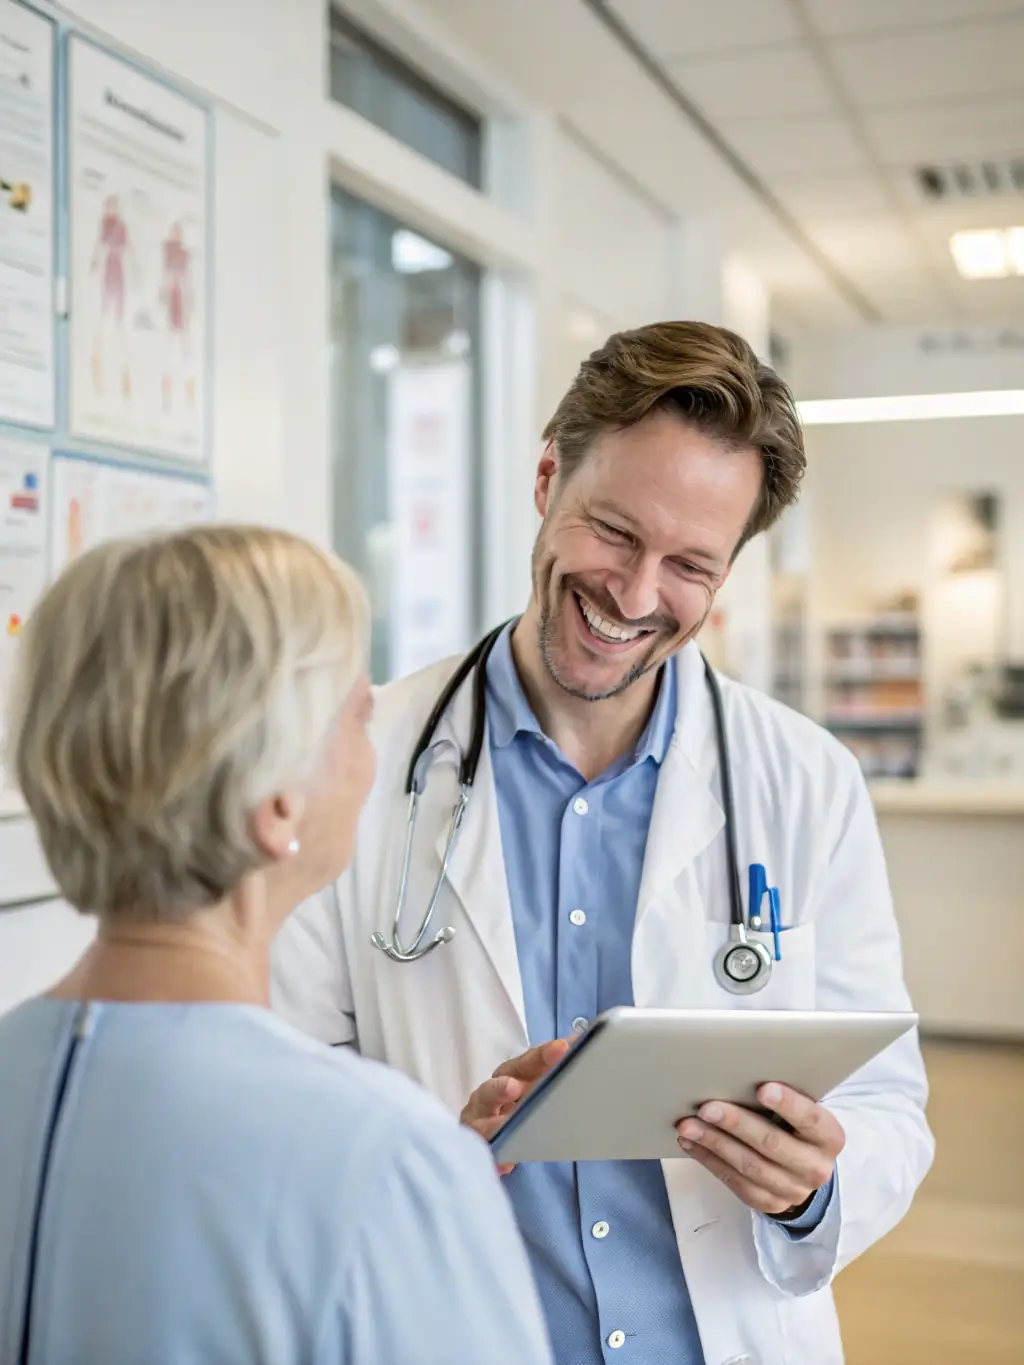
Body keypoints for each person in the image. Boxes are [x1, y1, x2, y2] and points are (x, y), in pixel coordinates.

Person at [271, 321, 935, 1365]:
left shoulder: (804, 782)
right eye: (614, 532)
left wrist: (812, 1188)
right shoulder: (361, 760)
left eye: (688, 565)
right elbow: (288, 1077)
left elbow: (886, 1101)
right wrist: (420, 1154)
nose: (633, 595)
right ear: (546, 477)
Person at [0, 526, 551, 1365]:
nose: (374, 760)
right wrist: (413, 1202)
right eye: (359, 719)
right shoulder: (386, 1160)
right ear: (279, 805)